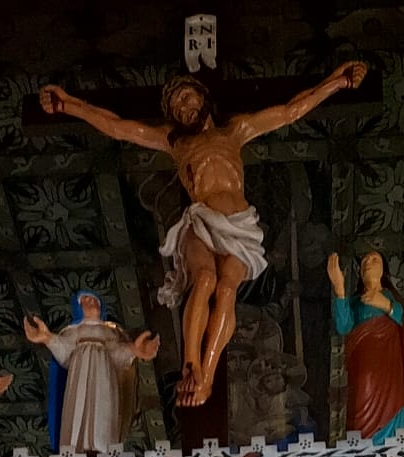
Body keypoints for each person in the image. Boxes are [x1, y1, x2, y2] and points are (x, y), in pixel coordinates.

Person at [38, 64, 367, 407]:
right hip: (201, 221)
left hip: (239, 226)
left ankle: (206, 375)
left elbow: (290, 111)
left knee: (226, 289)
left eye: (186, 98)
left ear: (203, 96)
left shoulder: (235, 131)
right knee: (205, 278)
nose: (183, 108)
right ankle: (191, 364)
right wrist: (68, 104)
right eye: (176, 108)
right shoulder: (176, 142)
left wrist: (337, 82)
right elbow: (118, 127)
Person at [24, 292, 159, 453]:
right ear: (78, 307)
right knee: (78, 405)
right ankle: (76, 449)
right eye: (86, 299)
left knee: (103, 407)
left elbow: (118, 356)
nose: (91, 302)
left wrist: (133, 350)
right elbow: (64, 352)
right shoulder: (73, 331)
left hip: (104, 377)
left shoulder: (110, 333)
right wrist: (47, 338)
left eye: (94, 299)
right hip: (79, 376)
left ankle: (102, 447)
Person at [327, 251, 404, 442]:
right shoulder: (356, 301)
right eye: (364, 261)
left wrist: (388, 306)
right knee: (362, 405)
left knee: (396, 407)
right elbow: (343, 326)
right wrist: (339, 288)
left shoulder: (391, 297)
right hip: (364, 368)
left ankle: (401, 446)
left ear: (383, 270)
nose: (368, 262)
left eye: (374, 259)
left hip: (390, 369)